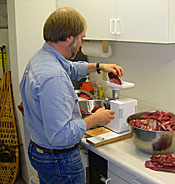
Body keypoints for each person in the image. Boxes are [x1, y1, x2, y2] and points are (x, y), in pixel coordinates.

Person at [19, 7, 123, 184]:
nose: (82, 43)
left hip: (40, 150)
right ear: (69, 38)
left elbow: (71, 68)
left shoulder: (41, 57)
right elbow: (61, 135)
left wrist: (99, 66)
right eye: (81, 37)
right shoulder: (54, 77)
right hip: (60, 161)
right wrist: (95, 119)